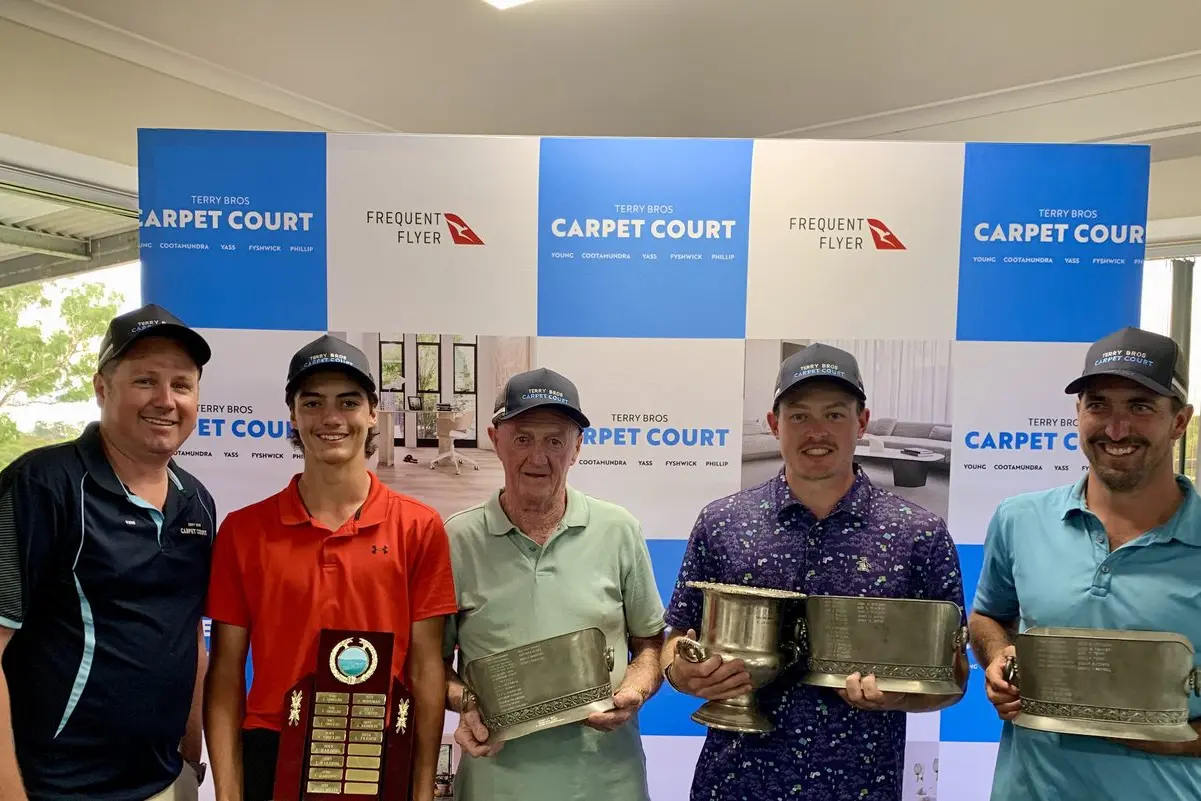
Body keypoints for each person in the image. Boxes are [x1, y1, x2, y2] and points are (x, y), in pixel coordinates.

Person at [662, 343, 969, 801]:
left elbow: (955, 675)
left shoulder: (918, 534)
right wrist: (679, 674)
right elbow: (676, 637)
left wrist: (900, 698)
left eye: (835, 415)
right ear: (774, 424)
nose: (817, 432)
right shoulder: (722, 522)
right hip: (735, 782)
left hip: (861, 784)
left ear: (862, 422)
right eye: (800, 415)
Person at [203, 334, 458, 801]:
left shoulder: (419, 527)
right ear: (293, 416)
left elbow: (426, 668)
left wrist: (422, 791)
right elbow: (225, 672)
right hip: (273, 749)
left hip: (379, 749)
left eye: (348, 401)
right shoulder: (243, 531)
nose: (332, 418)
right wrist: (228, 792)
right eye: (313, 403)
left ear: (372, 414)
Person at [969, 326, 1201, 800]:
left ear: (1180, 422)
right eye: (1098, 405)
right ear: (1078, 412)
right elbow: (989, 615)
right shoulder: (1019, 519)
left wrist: (1179, 741)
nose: (1116, 429)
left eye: (1140, 406)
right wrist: (997, 656)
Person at [0, 303, 214, 801]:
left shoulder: (198, 500)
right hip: (54, 789)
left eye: (181, 385)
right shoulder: (41, 485)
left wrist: (190, 754)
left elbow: (190, 636)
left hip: (165, 782)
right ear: (102, 388)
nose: (165, 400)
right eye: (145, 381)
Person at [442, 367, 667, 801]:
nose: (538, 457)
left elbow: (650, 644)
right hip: (496, 782)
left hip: (606, 782)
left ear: (577, 446)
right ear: (496, 440)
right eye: (523, 438)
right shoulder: (456, 539)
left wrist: (633, 691)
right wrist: (468, 705)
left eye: (555, 440)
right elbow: (432, 665)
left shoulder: (618, 529)